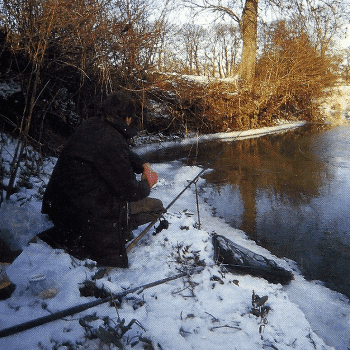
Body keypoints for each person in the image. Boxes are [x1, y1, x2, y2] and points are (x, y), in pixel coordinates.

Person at [41, 90, 165, 267]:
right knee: (155, 207)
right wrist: (148, 183)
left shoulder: (92, 125)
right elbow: (131, 191)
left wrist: (142, 163)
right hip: (82, 212)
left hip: (60, 205)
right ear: (128, 118)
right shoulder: (112, 140)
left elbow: (122, 154)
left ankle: (70, 234)